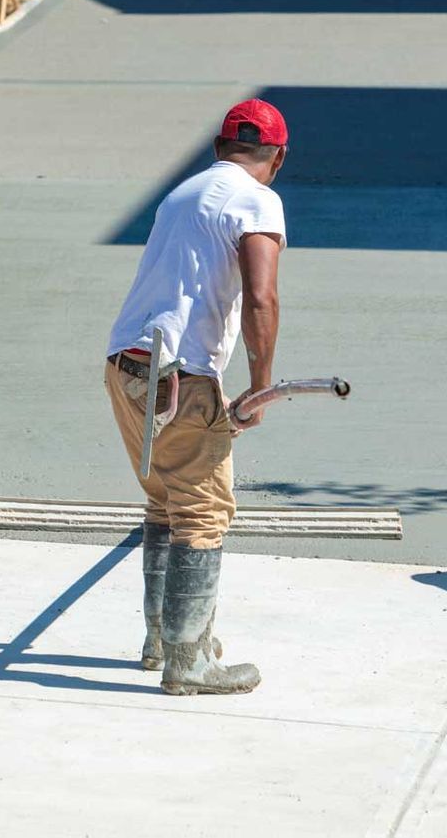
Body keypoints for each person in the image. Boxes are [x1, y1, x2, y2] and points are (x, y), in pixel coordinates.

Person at [105, 99, 288, 695]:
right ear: (277, 158)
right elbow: (261, 297)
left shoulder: (180, 194)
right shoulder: (259, 200)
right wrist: (261, 388)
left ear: (217, 149)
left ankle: (160, 641)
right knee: (204, 512)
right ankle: (189, 662)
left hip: (127, 365)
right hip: (181, 377)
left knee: (165, 500)